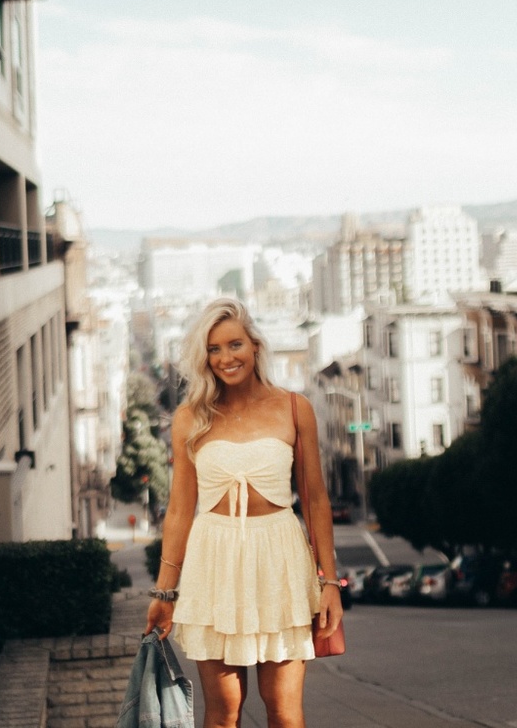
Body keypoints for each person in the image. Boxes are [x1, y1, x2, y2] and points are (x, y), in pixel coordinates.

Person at [145, 297, 343, 728]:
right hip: (214, 564)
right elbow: (179, 511)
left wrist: (329, 582)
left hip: (281, 561)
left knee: (284, 712)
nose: (224, 358)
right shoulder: (190, 418)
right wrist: (164, 593)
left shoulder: (294, 408)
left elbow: (315, 500)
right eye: (213, 350)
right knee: (223, 714)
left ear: (255, 345)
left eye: (233, 345)